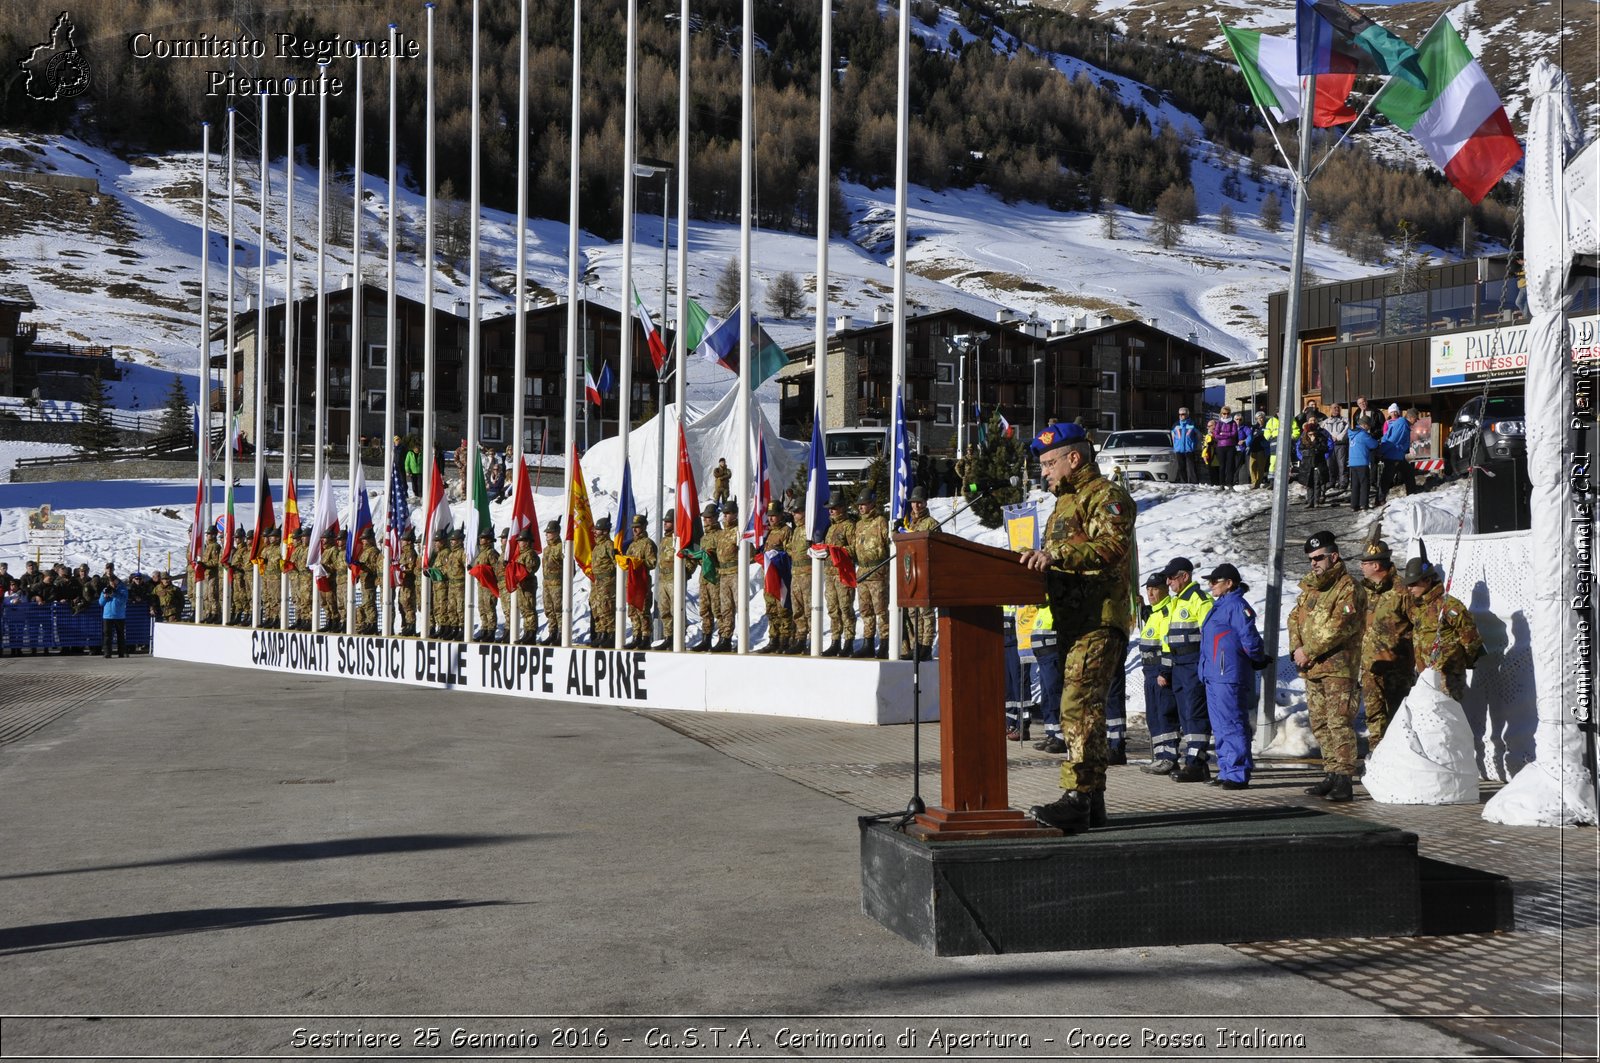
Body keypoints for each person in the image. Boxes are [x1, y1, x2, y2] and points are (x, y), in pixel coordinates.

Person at [1023, 422, 1137, 835]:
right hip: (1072, 620)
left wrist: (1054, 554)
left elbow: (1110, 547)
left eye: (1050, 462)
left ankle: (1078, 798)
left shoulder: (1107, 496)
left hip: (1099, 618)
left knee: (1078, 706)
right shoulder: (1064, 503)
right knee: (1082, 707)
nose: (1044, 471)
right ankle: (1093, 803)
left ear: (1075, 458)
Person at [1288, 531, 1363, 803]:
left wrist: (1308, 650)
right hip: (1313, 667)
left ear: (1334, 556)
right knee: (1320, 724)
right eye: (1311, 559)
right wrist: (1297, 648)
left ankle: (1344, 778)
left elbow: (1340, 627)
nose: (1314, 564)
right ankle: (1331, 772)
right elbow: (1294, 617)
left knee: (1339, 722)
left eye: (1319, 558)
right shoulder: (1311, 588)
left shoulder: (1348, 587)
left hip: (1338, 667)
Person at [1198, 563, 1267, 789]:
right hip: (1214, 675)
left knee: (1232, 723)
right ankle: (1226, 769)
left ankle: (1238, 773)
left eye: (1215, 581)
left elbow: (1249, 637)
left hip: (1228, 675)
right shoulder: (1219, 606)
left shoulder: (1237, 605)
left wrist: (1257, 657)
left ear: (1229, 583)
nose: (1211, 586)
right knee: (1219, 726)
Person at [1357, 532, 1413, 753]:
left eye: (1365, 563)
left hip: (1396, 668)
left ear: (1377, 565)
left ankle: (1400, 759)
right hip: (1370, 668)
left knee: (1399, 717)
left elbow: (1418, 625)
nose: (1361, 566)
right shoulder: (1364, 591)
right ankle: (1378, 758)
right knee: (1374, 717)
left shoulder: (1402, 590)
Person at [1404, 553, 1484, 704]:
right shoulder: (1419, 607)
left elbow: (1471, 638)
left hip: (1446, 676)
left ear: (1427, 580)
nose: (1410, 588)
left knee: (1448, 718)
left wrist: (1458, 662)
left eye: (1414, 583)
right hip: (1425, 674)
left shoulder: (1449, 605)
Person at [1160, 556, 1214, 782]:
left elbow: (1210, 635)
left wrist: (1205, 665)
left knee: (1195, 713)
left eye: (1172, 578)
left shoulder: (1198, 599)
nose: (1168, 583)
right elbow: (1169, 639)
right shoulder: (1176, 601)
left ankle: (1196, 762)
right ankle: (1194, 762)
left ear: (1185, 576)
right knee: (1185, 716)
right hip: (1179, 665)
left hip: (1194, 664)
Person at [1136, 572, 1180, 773]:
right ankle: (1160, 755)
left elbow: (1167, 646)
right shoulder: (1154, 612)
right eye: (1148, 589)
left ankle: (1169, 757)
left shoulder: (1167, 612)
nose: (1151, 593)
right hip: (1149, 671)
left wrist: (1164, 671)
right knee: (1154, 716)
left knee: (1165, 714)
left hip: (1160, 671)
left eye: (1155, 589)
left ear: (1165, 589)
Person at [899, 486, 938, 657]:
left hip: (924, 573)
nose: (916, 506)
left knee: (925, 612)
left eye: (919, 503)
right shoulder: (909, 524)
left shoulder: (931, 523)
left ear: (925, 503)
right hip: (910, 574)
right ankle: (917, 645)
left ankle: (926, 646)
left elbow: (937, 549)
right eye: (914, 503)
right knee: (913, 612)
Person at [852, 490, 891, 658]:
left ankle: (884, 643)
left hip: (878, 572)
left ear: (872, 504)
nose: (861, 507)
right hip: (862, 572)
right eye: (860, 505)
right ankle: (868, 643)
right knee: (865, 610)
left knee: (881, 610)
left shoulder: (880, 521)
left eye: (864, 504)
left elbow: (888, 545)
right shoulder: (859, 525)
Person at [820, 491, 857, 656]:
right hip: (829, 574)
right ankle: (835, 640)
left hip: (843, 573)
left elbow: (854, 549)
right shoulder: (831, 527)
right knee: (833, 608)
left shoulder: (849, 526)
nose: (831, 511)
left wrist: (837, 551)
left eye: (834, 508)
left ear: (842, 508)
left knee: (845, 608)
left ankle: (848, 641)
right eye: (830, 508)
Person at [709, 502, 740, 652]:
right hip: (723, 574)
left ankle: (743, 638)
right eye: (724, 513)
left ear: (735, 514)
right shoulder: (721, 534)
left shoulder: (738, 532)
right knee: (725, 608)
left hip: (735, 573)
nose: (725, 516)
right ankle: (726, 638)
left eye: (728, 513)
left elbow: (750, 554)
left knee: (740, 607)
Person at [624, 514, 658, 650]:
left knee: (643, 610)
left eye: (637, 527)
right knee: (632, 611)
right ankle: (636, 636)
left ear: (644, 527)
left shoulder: (648, 544)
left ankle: (645, 637)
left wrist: (640, 563)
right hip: (632, 582)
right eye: (633, 528)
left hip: (642, 582)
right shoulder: (632, 545)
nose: (635, 530)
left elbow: (652, 562)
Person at [785, 500, 812, 654]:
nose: (795, 515)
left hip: (807, 574)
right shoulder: (796, 530)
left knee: (809, 609)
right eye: (794, 512)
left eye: (797, 512)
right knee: (798, 609)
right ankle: (800, 638)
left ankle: (811, 640)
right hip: (796, 574)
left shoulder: (809, 529)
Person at [589, 515, 616, 647]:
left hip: (607, 583)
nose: (595, 532)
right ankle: (601, 633)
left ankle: (611, 634)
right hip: (597, 583)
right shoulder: (597, 547)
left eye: (598, 530)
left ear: (605, 531)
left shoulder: (609, 545)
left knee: (607, 608)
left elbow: (617, 563)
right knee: (598, 609)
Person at [1297, 411, 1331, 508]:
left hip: (1318, 463)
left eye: (1312, 434)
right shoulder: (1303, 438)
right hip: (1307, 464)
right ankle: (1309, 501)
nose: (1311, 436)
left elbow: (1325, 448)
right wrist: (1310, 451)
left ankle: (1316, 501)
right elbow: (1301, 449)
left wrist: (1315, 443)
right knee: (1309, 483)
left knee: (1317, 483)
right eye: (1309, 434)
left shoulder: (1321, 437)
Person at [1378, 403, 1410, 504]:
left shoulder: (1400, 422)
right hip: (1392, 451)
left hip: (1396, 452)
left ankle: (1381, 497)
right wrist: (1383, 449)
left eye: (1396, 412)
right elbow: (1388, 437)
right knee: (1388, 476)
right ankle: (1380, 497)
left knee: (1404, 473)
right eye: (1392, 412)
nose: (1394, 414)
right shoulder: (1390, 423)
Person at [1348, 414, 1381, 511]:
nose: (1369, 428)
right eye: (1369, 426)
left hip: (1353, 463)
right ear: (1365, 425)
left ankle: (1354, 505)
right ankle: (1363, 504)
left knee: (1355, 485)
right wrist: (1377, 442)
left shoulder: (1352, 434)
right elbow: (1373, 444)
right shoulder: (1363, 435)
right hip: (1362, 462)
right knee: (1364, 484)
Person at [653, 512, 676, 650]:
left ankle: (677, 636)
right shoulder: (663, 540)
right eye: (665, 521)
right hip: (663, 579)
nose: (665, 523)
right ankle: (668, 637)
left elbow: (690, 557)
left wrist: (685, 573)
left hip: (674, 579)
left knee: (675, 610)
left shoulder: (677, 539)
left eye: (668, 521)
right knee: (664, 610)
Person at [540, 519, 564, 645]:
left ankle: (561, 634)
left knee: (559, 609)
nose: (547, 534)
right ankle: (552, 633)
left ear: (556, 533)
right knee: (549, 610)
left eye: (550, 532)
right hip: (547, 584)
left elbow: (569, 566)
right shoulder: (546, 549)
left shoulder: (561, 547)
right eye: (547, 532)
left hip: (557, 584)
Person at [397, 527, 421, 636]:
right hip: (404, 584)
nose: (402, 542)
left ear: (409, 541)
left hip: (409, 583)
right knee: (402, 605)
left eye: (404, 540)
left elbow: (410, 568)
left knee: (408, 605)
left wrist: (402, 571)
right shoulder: (403, 554)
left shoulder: (411, 553)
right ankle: (406, 624)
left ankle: (411, 626)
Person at [99, 573, 129, 658]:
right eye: (111, 582)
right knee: (107, 635)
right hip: (107, 616)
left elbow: (123, 600)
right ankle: (107, 653)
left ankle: (121, 653)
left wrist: (114, 594)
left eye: (114, 581)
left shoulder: (122, 589)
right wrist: (105, 596)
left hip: (119, 616)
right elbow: (101, 603)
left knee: (120, 635)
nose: (113, 583)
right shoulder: (105, 589)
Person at [1170, 408, 1200, 485]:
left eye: (1183, 414)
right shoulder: (1176, 424)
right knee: (1181, 467)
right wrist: (1175, 447)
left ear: (1187, 414)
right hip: (1179, 450)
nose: (1181, 416)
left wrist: (1195, 445)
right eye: (1179, 414)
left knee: (1191, 468)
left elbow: (1198, 436)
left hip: (1189, 449)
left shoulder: (1193, 424)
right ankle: (1183, 483)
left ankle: (1193, 483)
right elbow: (1173, 436)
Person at [1324, 403, 1350, 491]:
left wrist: (1338, 437)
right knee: (1330, 464)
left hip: (1341, 445)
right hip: (1329, 446)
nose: (1336, 409)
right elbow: (1324, 431)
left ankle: (1343, 482)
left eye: (1338, 408)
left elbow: (1347, 430)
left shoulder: (1345, 420)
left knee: (1342, 464)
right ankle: (1331, 481)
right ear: (1330, 409)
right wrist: (1330, 438)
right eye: (1334, 408)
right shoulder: (1326, 421)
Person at [1213, 408, 1239, 490]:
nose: (1226, 415)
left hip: (1230, 446)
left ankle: (1230, 483)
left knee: (1230, 466)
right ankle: (1221, 484)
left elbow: (1234, 433)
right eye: (1224, 413)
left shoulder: (1233, 422)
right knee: (1222, 466)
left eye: (1227, 413)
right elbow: (1216, 435)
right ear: (1221, 414)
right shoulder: (1219, 423)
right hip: (1220, 447)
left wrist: (1223, 433)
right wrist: (1228, 435)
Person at [1247, 411, 1270, 488]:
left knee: (1260, 467)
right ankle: (1254, 482)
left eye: (1262, 418)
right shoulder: (1254, 427)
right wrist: (1247, 443)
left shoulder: (1267, 426)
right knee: (1252, 466)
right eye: (1258, 418)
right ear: (1256, 419)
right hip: (1253, 449)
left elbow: (1268, 438)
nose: (1260, 420)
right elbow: (1250, 437)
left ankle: (1257, 483)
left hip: (1262, 449)